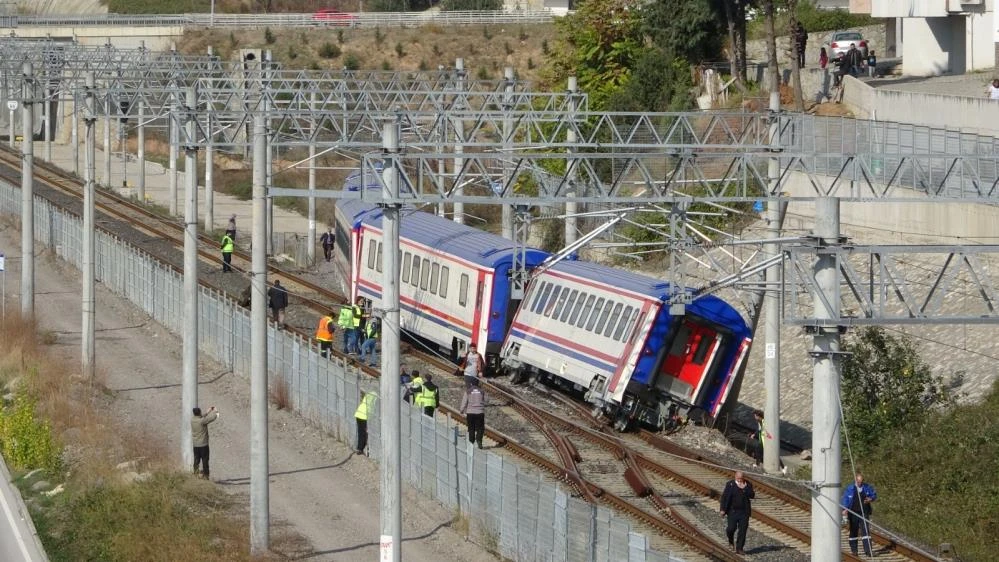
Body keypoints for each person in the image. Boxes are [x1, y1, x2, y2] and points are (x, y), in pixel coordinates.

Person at [841, 472, 878, 556]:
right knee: (854, 531)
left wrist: (870, 499)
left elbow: (874, 495)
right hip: (853, 512)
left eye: (861, 482)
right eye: (858, 482)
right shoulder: (850, 488)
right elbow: (845, 499)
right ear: (855, 480)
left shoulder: (867, 487)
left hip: (864, 512)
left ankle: (868, 551)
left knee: (866, 531)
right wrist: (844, 509)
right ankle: (854, 550)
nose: (860, 483)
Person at [719, 470, 755, 555]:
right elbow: (724, 497)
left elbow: (752, 495)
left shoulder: (748, 484)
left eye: (741, 478)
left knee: (742, 531)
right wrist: (722, 509)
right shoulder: (730, 484)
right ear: (735, 477)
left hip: (744, 512)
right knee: (731, 528)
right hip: (732, 511)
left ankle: (739, 548)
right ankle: (731, 540)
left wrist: (745, 488)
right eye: (738, 478)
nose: (740, 480)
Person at [191, 406, 219, 479]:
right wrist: (216, 412)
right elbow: (212, 418)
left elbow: (200, 417)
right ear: (199, 412)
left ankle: (195, 474)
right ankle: (206, 476)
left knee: (196, 460)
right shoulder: (202, 421)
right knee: (205, 461)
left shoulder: (192, 419)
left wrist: (207, 412)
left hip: (195, 445)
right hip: (203, 445)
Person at [459, 378, 487, 449]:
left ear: (471, 383)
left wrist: (461, 410)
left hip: (470, 412)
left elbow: (464, 401)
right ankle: (479, 441)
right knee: (480, 428)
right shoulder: (482, 391)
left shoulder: (468, 391)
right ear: (478, 383)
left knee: (471, 428)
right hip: (480, 412)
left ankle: (471, 442)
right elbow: (486, 400)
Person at [354, 390, 377, 455]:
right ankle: (366, 449)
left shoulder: (369, 392)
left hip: (359, 413)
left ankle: (359, 448)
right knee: (366, 432)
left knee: (361, 432)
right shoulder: (376, 395)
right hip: (365, 415)